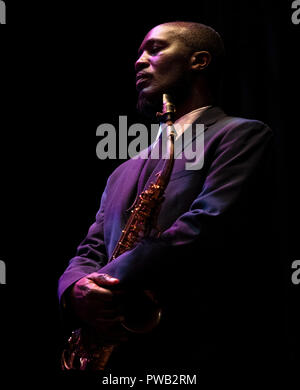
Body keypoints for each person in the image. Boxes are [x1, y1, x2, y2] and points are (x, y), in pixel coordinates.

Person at [58, 22, 274, 372]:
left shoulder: (240, 135)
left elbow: (207, 223)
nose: (139, 61)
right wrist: (72, 289)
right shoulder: (122, 170)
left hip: (196, 346)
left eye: (154, 49)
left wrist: (103, 284)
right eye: (140, 53)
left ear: (199, 60)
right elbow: (90, 249)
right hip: (121, 352)